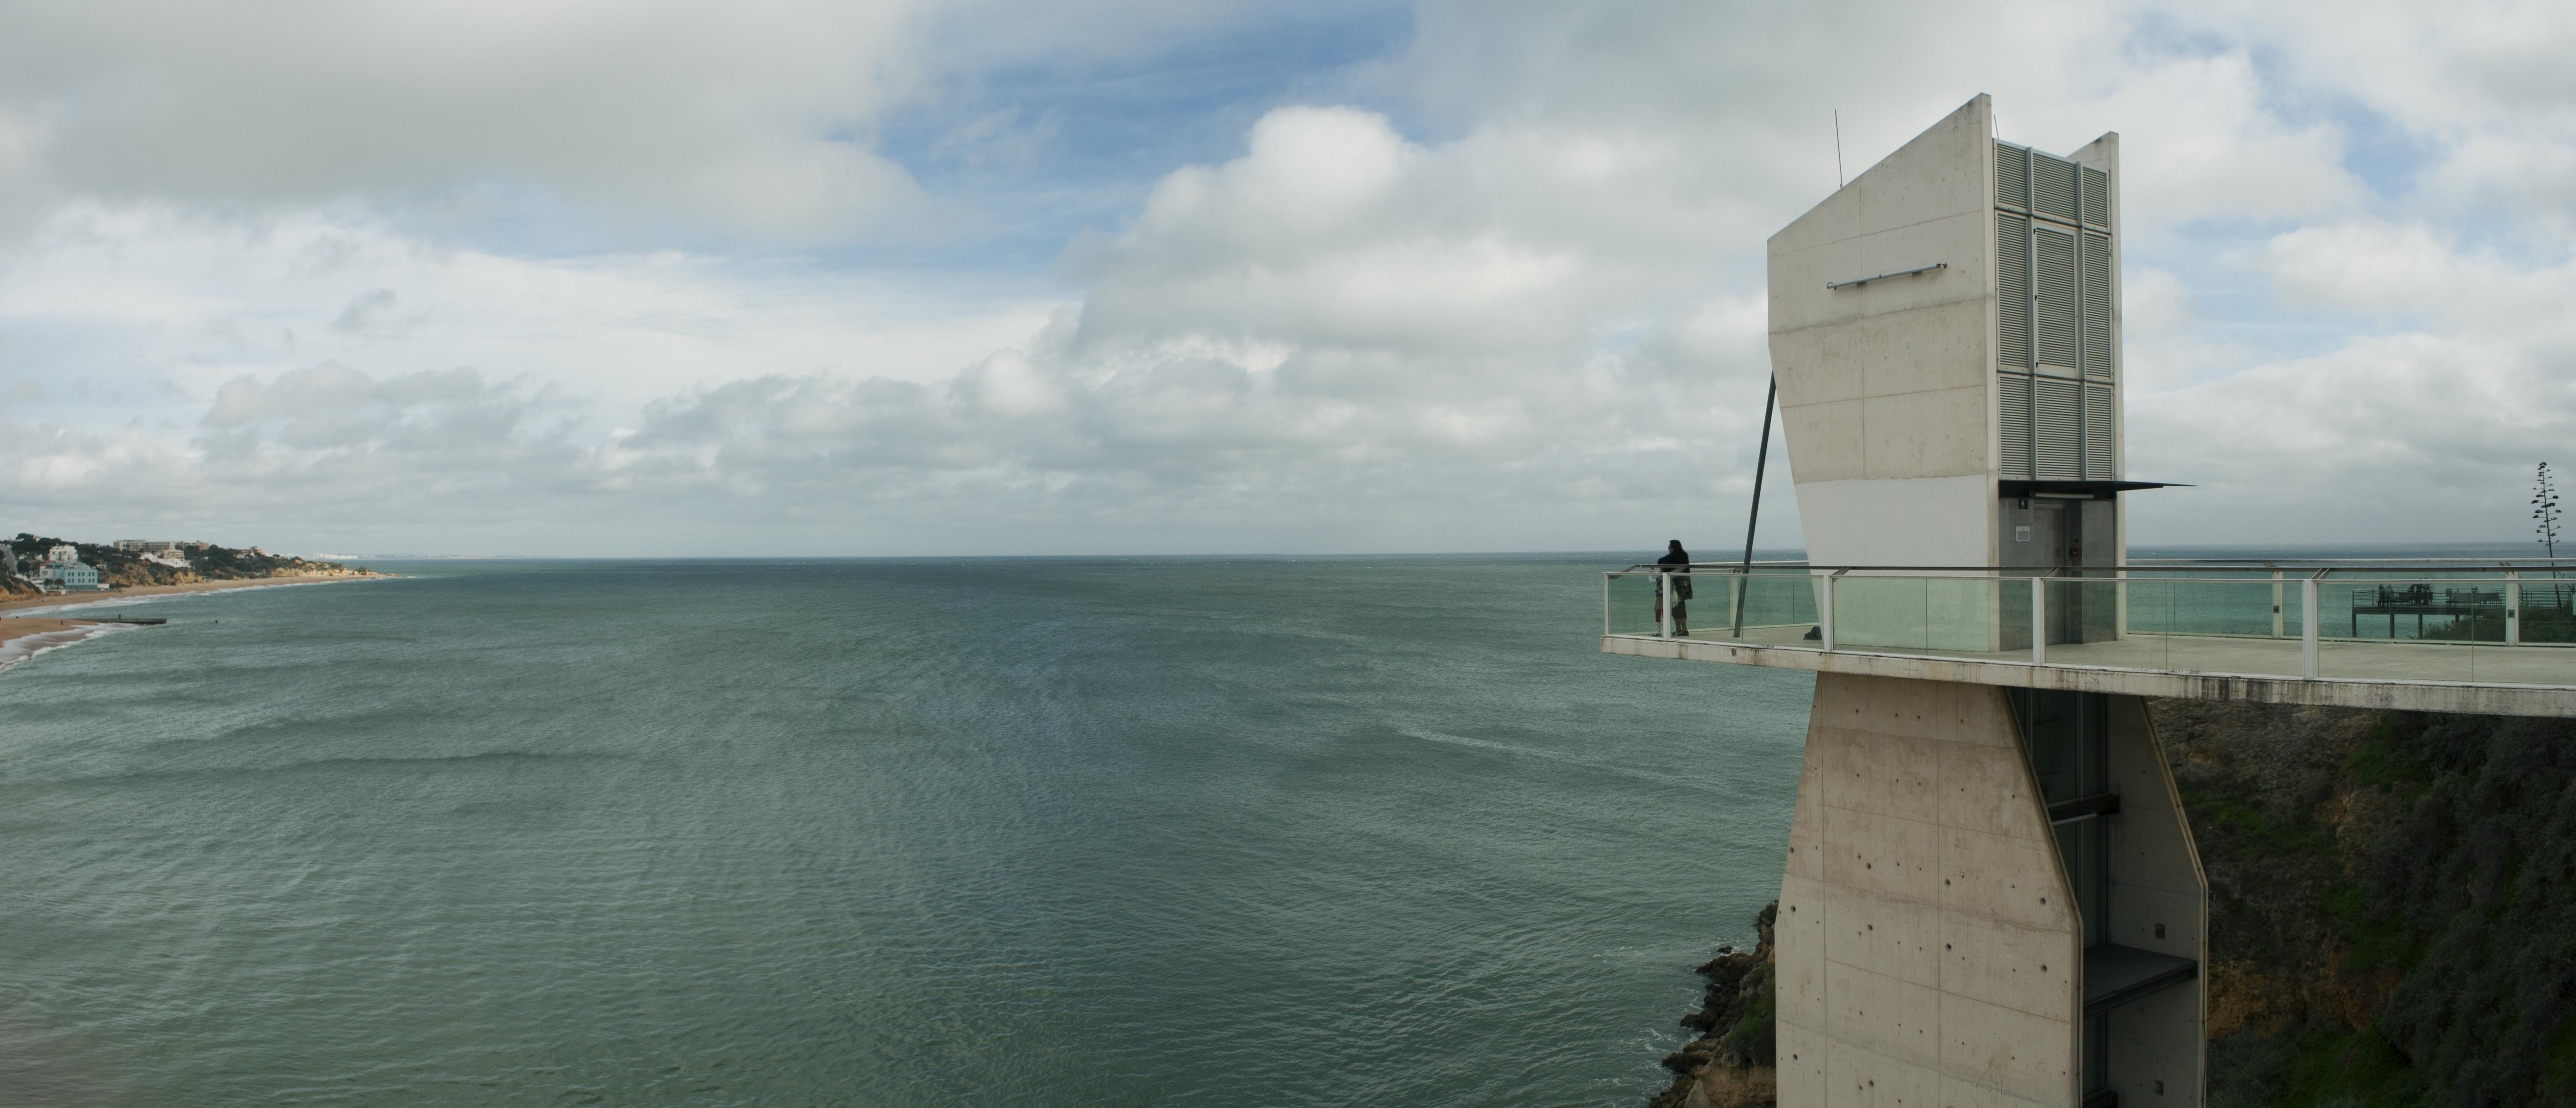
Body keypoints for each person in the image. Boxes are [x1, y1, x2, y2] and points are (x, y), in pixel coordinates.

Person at [1654, 539, 1692, 635]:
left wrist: (1666, 567)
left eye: (1669, 547)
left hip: (1677, 584)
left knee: (1677, 606)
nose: (1668, 549)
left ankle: (1683, 629)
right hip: (1685, 583)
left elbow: (1660, 561)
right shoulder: (1684, 555)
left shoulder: (1674, 557)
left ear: (1673, 548)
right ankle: (1680, 630)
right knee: (1678, 606)